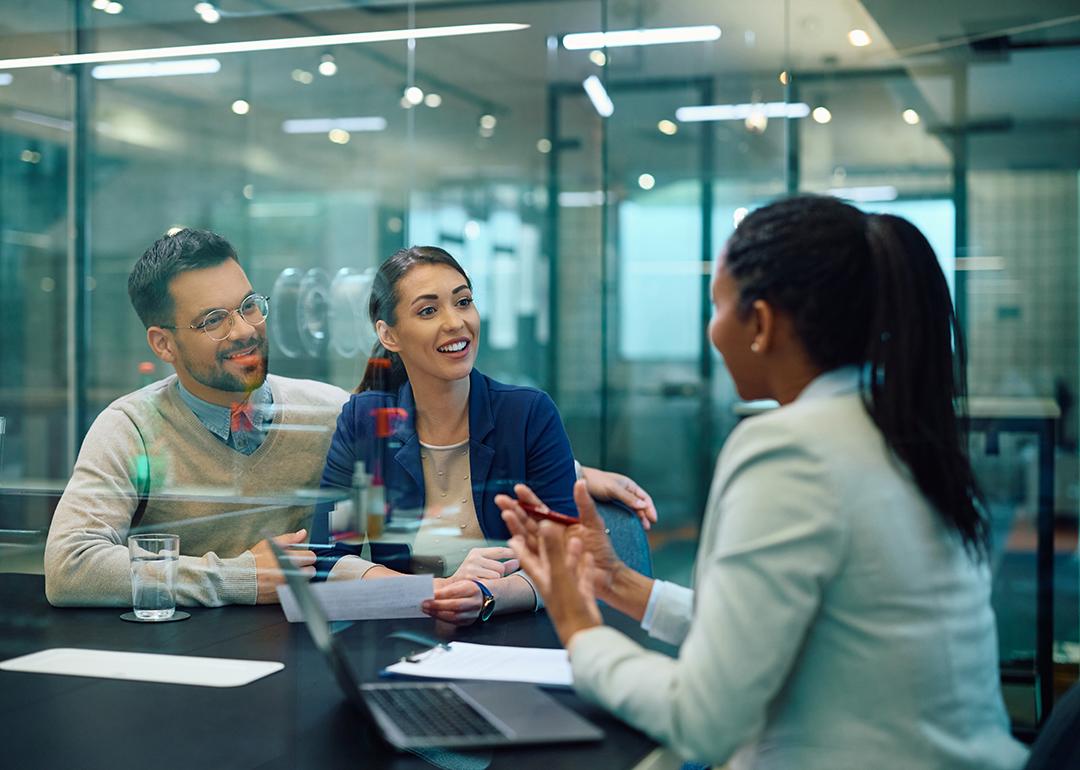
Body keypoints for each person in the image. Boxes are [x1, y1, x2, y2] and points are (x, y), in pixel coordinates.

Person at [498, 196, 1029, 769]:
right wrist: (619, 583)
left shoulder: (790, 448)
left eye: (717, 307)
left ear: (762, 323)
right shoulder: (895, 425)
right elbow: (785, 629)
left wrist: (579, 632)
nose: (711, 330)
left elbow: (700, 720)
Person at [311, 246, 656, 625]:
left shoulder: (526, 415)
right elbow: (328, 557)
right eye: (428, 310)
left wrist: (487, 596)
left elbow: (566, 561)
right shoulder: (369, 424)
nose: (456, 322)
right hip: (404, 640)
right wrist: (428, 593)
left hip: (517, 639)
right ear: (389, 335)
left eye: (463, 302)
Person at [44, 228, 348, 607]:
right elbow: (70, 567)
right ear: (163, 344)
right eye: (213, 320)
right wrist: (240, 578)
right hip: (178, 653)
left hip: (305, 651)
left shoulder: (332, 412)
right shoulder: (131, 426)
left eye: (249, 305)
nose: (244, 330)